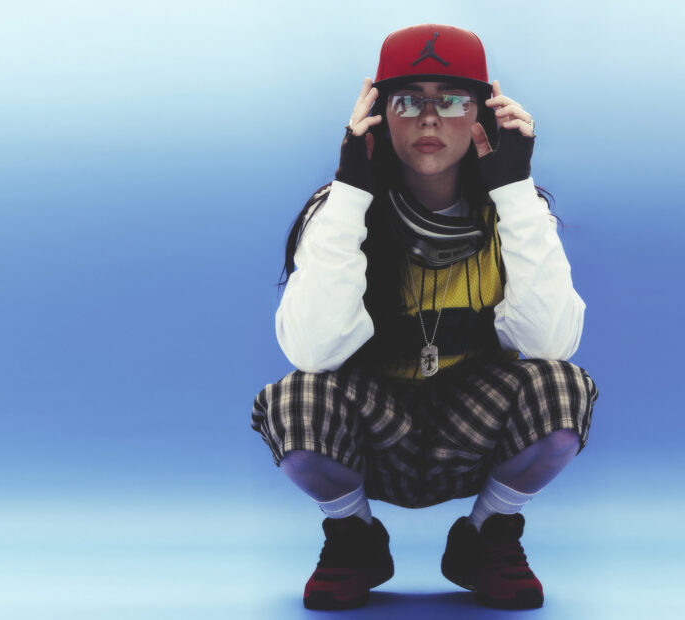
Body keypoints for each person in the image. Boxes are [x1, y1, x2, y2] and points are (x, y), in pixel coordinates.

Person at [251, 24, 598, 610]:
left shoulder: (515, 211)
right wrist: (351, 192)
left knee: (563, 388)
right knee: (296, 398)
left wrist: (514, 190)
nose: (430, 119)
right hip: (373, 431)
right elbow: (312, 351)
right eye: (408, 101)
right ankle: (354, 539)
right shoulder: (337, 210)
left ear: (483, 113)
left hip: (472, 427)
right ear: (379, 115)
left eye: (453, 100)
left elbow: (551, 342)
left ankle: (487, 536)